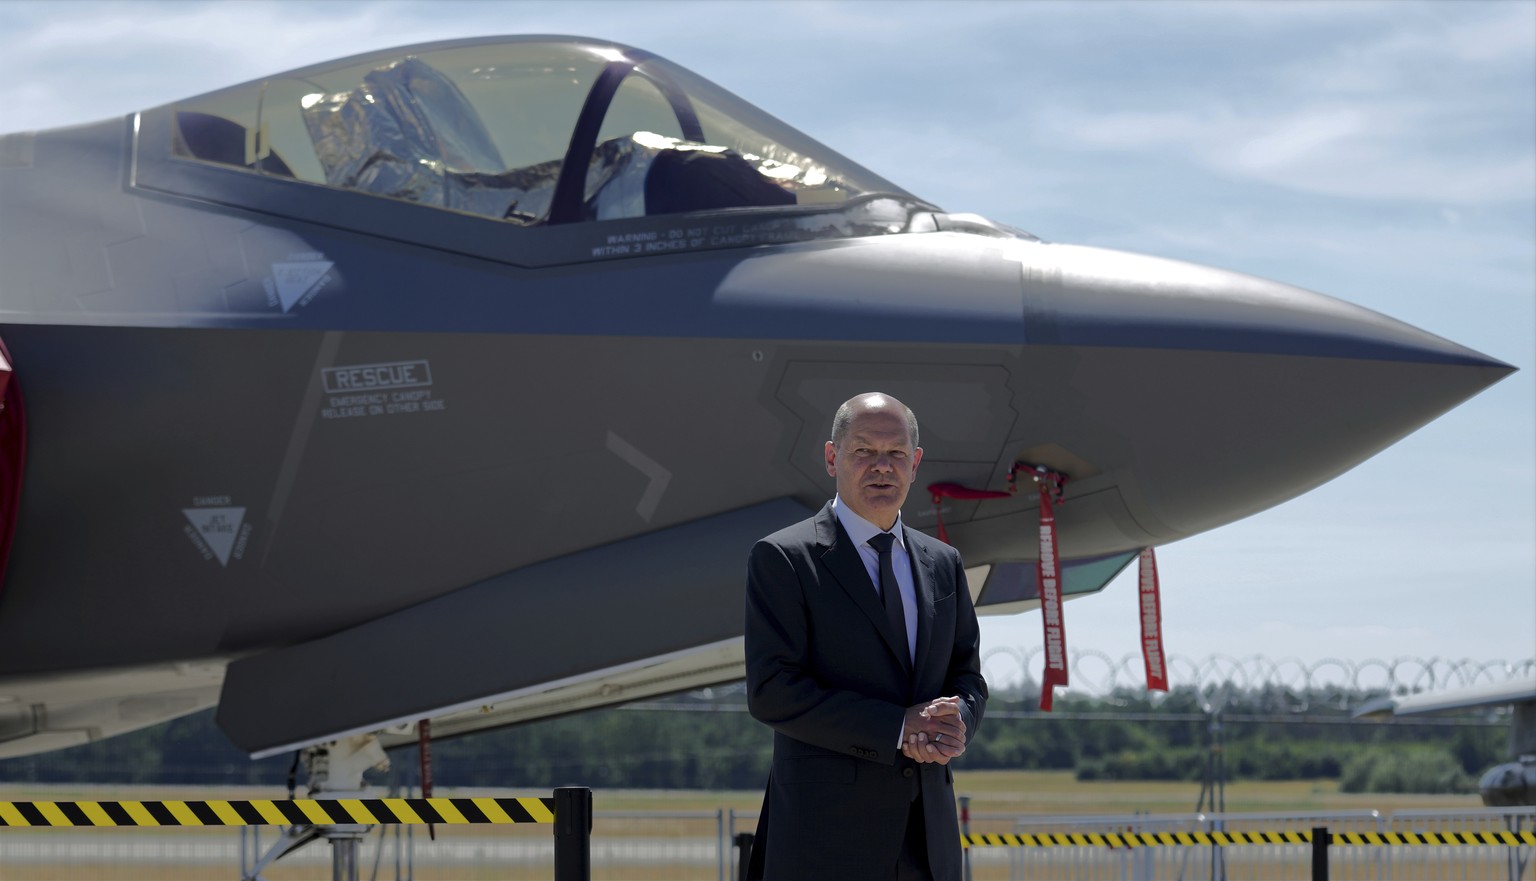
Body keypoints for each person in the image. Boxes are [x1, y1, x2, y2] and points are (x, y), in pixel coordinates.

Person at [744, 392, 988, 881]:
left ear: (915, 463)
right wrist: (899, 727)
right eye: (863, 451)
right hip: (825, 845)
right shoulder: (784, 559)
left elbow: (968, 675)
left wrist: (957, 716)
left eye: (896, 453)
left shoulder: (943, 563)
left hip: (928, 844)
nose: (882, 467)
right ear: (833, 457)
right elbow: (772, 693)